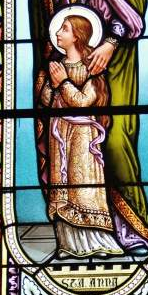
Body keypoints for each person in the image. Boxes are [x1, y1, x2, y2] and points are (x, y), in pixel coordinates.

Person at [29, 0, 148, 252]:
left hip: (114, 63)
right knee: (70, 149)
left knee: (114, 140)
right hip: (71, 61)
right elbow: (53, 15)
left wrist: (111, 44)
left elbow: (134, 10)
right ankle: (82, 233)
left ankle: (132, 231)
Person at [38, 14, 124, 258]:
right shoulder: (55, 66)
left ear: (77, 36)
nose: (58, 33)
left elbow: (83, 102)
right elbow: (46, 100)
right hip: (59, 135)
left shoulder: (92, 68)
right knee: (63, 188)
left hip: (83, 136)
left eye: (64, 29)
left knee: (84, 188)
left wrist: (63, 82)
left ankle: (96, 243)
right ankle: (68, 244)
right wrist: (49, 82)